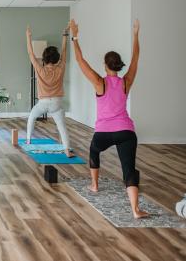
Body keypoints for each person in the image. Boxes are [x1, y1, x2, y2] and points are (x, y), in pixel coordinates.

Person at [70, 18, 148, 219]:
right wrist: (136, 35)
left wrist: (75, 37)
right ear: (119, 66)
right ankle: (135, 209)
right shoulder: (125, 82)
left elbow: (80, 61)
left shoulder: (99, 82)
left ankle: (95, 185)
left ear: (105, 66)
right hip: (126, 132)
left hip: (104, 132)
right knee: (129, 169)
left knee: (94, 151)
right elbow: (136, 58)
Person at [26, 23, 74, 157]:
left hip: (43, 103)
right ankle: (66, 150)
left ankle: (29, 141)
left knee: (32, 117)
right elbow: (64, 52)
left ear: (44, 58)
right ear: (56, 58)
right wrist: (65, 35)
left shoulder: (40, 69)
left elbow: (30, 53)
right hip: (57, 103)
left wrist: (28, 37)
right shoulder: (61, 68)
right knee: (62, 127)